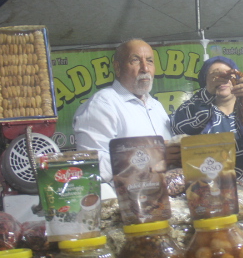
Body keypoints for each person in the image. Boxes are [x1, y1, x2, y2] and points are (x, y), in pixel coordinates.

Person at [172, 56, 243, 225]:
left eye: (228, 74)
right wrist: (206, 95)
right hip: (217, 204)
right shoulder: (198, 112)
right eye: (214, 75)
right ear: (205, 82)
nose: (223, 78)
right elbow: (179, 127)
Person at [73, 39, 172, 186]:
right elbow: (92, 166)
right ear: (118, 67)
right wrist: (152, 157)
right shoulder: (102, 105)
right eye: (135, 60)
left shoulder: (156, 106)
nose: (145, 68)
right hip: (124, 203)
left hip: (163, 198)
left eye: (150, 61)